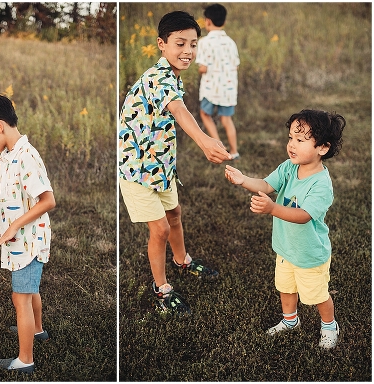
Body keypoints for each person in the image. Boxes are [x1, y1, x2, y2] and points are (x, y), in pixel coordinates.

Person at [118, 10, 230, 315]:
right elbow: (179, 111)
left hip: (161, 166)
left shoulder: (173, 76)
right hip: (137, 169)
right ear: (161, 44)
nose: (188, 51)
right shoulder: (158, 77)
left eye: (193, 44)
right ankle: (162, 289)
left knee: (175, 214)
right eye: (180, 43)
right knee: (160, 229)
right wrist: (205, 140)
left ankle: (182, 260)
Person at [225, 109, 344, 349]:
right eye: (291, 138)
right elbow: (267, 185)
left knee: (317, 295)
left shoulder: (321, 184)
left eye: (300, 140)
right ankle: (290, 321)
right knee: (285, 288)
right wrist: (243, 179)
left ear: (322, 148)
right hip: (286, 247)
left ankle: (329, 325)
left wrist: (271, 209)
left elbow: (303, 216)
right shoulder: (289, 167)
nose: (292, 145)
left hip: (309, 254)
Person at [0, 95, 54, 374]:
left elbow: (47, 200)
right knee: (29, 292)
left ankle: (25, 360)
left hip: (28, 240)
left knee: (20, 298)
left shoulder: (26, 156)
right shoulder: (6, 156)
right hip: (18, 240)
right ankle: (37, 329)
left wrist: (15, 225)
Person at [197, 3, 241, 159]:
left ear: (207, 21)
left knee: (205, 114)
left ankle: (219, 147)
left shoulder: (204, 42)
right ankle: (234, 152)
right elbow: (235, 66)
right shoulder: (231, 43)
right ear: (224, 22)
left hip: (211, 89)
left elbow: (203, 68)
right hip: (228, 89)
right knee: (226, 119)